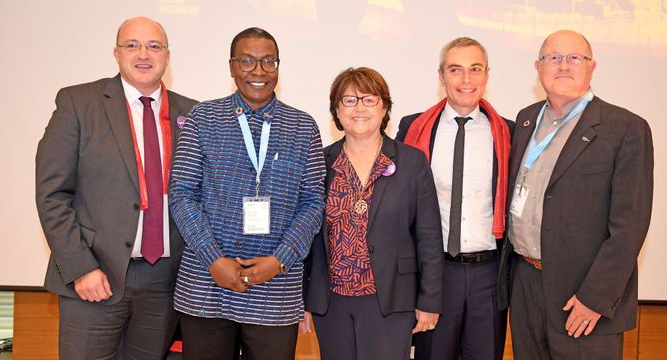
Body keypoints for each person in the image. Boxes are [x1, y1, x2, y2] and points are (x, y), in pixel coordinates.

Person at [35, 17, 197, 359]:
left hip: (164, 283)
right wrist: (81, 268)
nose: (143, 54)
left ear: (168, 56)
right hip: (95, 277)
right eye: (132, 45)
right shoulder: (78, 103)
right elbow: (52, 195)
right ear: (116, 53)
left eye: (154, 46)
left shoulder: (193, 114)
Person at [169, 27, 325, 360]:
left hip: (275, 288)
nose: (258, 71)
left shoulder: (303, 126)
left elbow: (313, 203)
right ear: (231, 66)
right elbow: (182, 194)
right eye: (248, 61)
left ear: (278, 67)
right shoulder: (202, 118)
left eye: (268, 62)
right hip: (206, 284)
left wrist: (280, 260)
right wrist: (214, 259)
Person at [498, 30, 654, 359]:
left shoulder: (624, 128)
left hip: (581, 295)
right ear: (538, 67)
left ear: (592, 67)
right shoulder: (525, 121)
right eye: (553, 57)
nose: (564, 65)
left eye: (575, 58)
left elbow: (630, 227)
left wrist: (595, 297)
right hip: (525, 282)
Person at [302, 67, 444, 360]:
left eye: (369, 99)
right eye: (349, 100)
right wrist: (304, 301)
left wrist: (429, 301)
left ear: (384, 108)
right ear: (336, 112)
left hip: (391, 299)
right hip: (331, 303)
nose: (359, 108)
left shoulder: (411, 162)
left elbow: (428, 236)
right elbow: (307, 234)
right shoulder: (320, 162)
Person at [396, 37, 513, 360]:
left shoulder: (508, 133)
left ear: (487, 75)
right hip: (434, 273)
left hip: (488, 274)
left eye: (475, 69)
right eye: (455, 69)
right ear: (441, 76)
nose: (466, 80)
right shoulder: (412, 129)